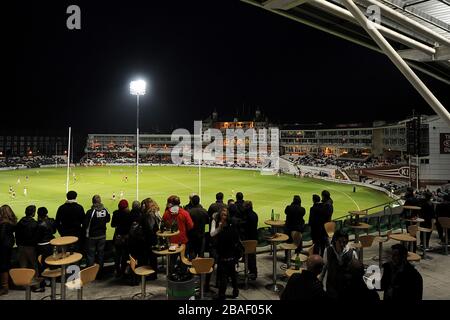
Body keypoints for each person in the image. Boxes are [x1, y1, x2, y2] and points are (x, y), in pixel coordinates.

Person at [212, 207, 242, 300]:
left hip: (224, 257)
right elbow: (237, 242)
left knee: (223, 278)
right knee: (233, 276)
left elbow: (218, 245)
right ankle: (235, 293)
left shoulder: (222, 233)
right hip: (232, 257)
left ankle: (222, 295)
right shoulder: (234, 230)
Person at [320, 230, 358, 300]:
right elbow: (324, 268)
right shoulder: (327, 251)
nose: (342, 244)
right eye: (340, 241)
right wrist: (321, 284)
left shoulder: (352, 253)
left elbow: (356, 271)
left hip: (346, 288)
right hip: (331, 288)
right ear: (335, 240)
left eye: (345, 242)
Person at [84, 195, 111, 276]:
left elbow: (86, 224)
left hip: (92, 236)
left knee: (90, 255)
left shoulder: (91, 212)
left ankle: (90, 274)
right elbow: (108, 219)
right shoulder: (105, 210)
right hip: (102, 235)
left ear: (93, 202)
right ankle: (100, 272)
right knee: (100, 254)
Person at [138, 197, 160, 278]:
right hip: (153, 237)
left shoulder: (149, 214)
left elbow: (150, 228)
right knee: (152, 256)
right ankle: (153, 273)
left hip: (150, 238)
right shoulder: (155, 212)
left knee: (151, 256)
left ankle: (152, 274)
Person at [35, 207, 56, 291]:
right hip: (50, 244)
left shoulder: (39, 224)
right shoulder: (51, 221)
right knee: (50, 263)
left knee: (41, 265)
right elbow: (54, 231)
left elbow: (37, 237)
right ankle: (51, 281)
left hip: (42, 246)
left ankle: (42, 285)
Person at [111, 199, 132, 278]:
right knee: (125, 254)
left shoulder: (116, 213)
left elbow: (112, 225)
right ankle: (123, 271)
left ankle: (118, 271)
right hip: (126, 237)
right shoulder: (129, 214)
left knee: (117, 255)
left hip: (118, 237)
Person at [15, 205, 39, 272]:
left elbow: (16, 234)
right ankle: (36, 280)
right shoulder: (34, 223)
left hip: (20, 246)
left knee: (23, 265)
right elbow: (36, 236)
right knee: (34, 264)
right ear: (33, 213)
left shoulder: (20, 222)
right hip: (30, 247)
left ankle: (24, 281)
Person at [0, 205, 17, 296]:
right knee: (6, 264)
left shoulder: (4, 223)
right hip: (9, 245)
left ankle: (4, 287)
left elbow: (1, 237)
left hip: (4, 246)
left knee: (3, 266)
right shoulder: (11, 222)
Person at [243, 201, 258, 280]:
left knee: (250, 256)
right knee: (251, 256)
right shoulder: (254, 214)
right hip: (253, 237)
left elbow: (246, 227)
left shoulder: (247, 216)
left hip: (249, 238)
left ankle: (252, 272)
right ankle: (252, 272)